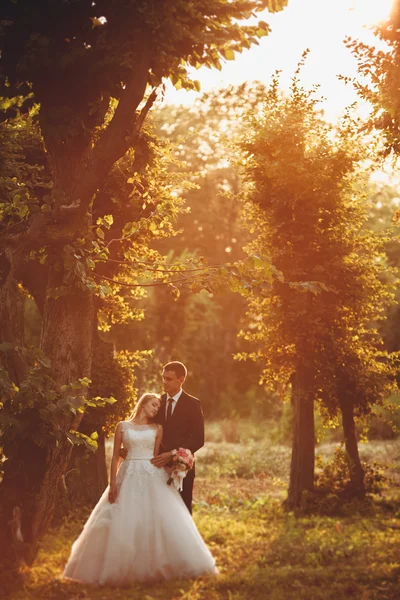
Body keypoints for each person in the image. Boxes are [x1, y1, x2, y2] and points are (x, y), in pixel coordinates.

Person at [62, 392, 217, 586]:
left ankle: (162, 563)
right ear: (143, 404)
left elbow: (155, 455)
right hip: (128, 472)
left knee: (158, 516)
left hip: (151, 473)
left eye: (158, 407)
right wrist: (112, 484)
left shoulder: (157, 428)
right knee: (123, 515)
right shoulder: (122, 426)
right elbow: (115, 457)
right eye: (153, 405)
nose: (155, 409)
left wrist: (176, 464)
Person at [151, 361, 204, 513]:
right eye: (163, 378)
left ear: (181, 380)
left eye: (169, 379)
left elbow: (199, 439)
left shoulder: (193, 404)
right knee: (160, 511)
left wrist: (173, 454)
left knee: (183, 511)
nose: (164, 382)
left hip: (183, 468)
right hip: (158, 467)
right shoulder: (158, 403)